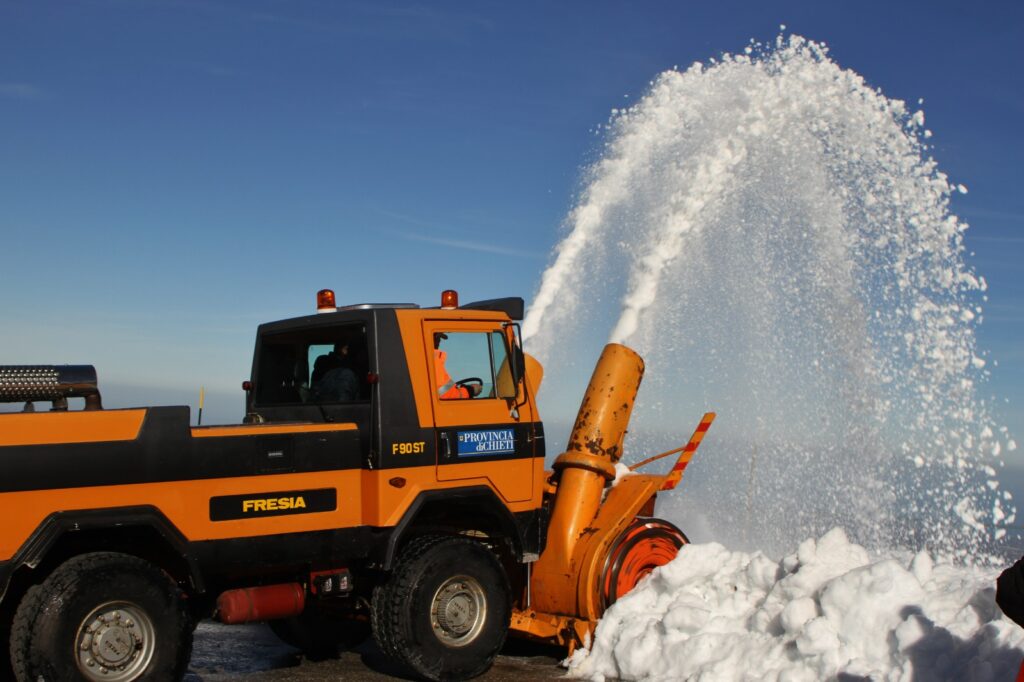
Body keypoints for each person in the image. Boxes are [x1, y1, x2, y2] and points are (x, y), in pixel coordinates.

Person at [434, 333, 481, 400]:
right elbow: (443, 394)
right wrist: (470, 390)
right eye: (437, 338)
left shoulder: (432, 361)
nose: (439, 341)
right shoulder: (433, 362)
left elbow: (444, 389)